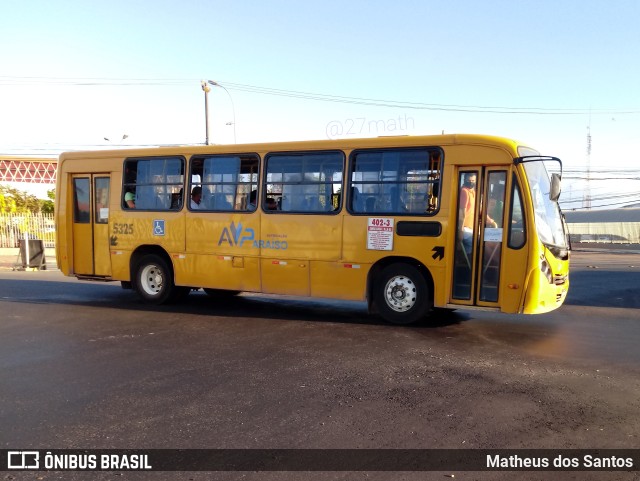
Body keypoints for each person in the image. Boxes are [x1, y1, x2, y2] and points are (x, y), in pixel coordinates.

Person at [458, 173, 497, 255]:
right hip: (465, 228)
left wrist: (490, 221)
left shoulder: (474, 193)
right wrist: (460, 231)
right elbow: (462, 214)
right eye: (468, 180)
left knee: (486, 243)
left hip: (473, 228)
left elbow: (480, 210)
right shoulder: (464, 191)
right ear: (464, 180)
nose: (471, 182)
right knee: (483, 245)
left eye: (473, 180)